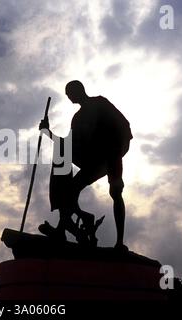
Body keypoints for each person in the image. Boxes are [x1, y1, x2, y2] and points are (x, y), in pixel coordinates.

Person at [39, 80, 133, 250]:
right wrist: (48, 133)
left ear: (79, 90)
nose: (69, 98)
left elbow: (124, 126)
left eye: (70, 94)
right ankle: (65, 227)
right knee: (66, 175)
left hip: (111, 155)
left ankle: (120, 243)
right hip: (92, 161)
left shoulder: (99, 103)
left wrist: (117, 152)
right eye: (67, 95)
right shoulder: (77, 119)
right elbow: (67, 145)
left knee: (116, 192)